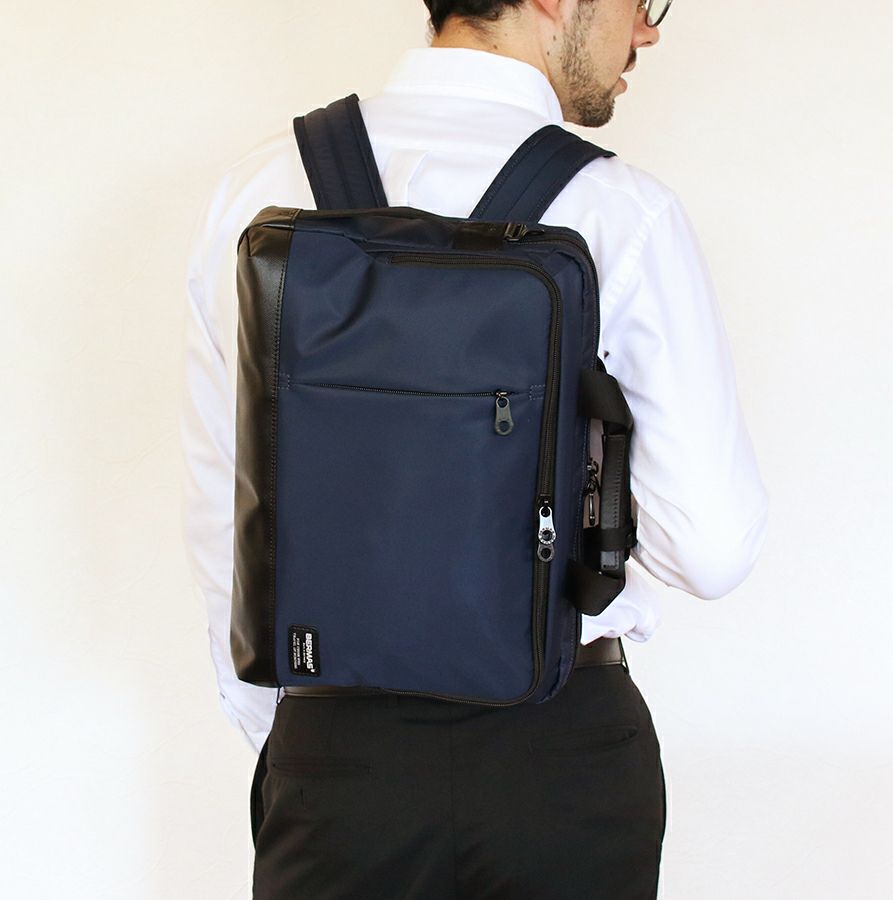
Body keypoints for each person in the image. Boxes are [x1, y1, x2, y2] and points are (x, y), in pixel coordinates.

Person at [179, 1, 769, 896]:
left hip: (336, 753)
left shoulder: (255, 189)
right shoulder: (623, 212)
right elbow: (712, 550)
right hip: (559, 755)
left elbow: (224, 513)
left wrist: (301, 740)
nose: (647, 30)